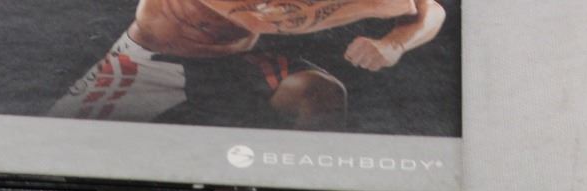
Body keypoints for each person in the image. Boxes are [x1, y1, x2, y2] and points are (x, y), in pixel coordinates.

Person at [49, 0, 444, 130]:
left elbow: (430, 9)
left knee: (319, 93)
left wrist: (394, 44)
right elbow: (262, 18)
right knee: (65, 154)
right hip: (151, 64)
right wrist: (375, 5)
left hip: (236, 60)